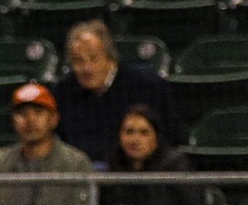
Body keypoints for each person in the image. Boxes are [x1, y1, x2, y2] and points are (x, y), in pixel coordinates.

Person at [54, 20, 182, 168]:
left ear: (110, 58)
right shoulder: (63, 91)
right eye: (78, 61)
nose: (87, 68)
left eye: (94, 59)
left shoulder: (147, 85)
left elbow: (172, 138)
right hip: (81, 178)